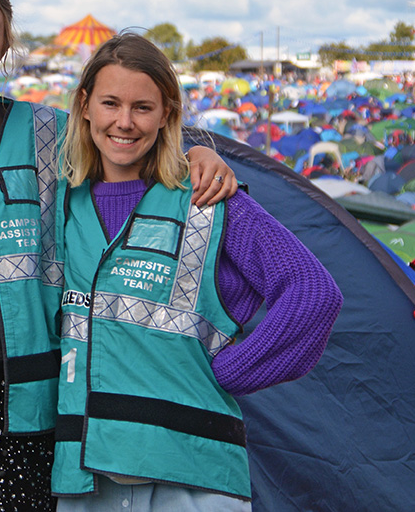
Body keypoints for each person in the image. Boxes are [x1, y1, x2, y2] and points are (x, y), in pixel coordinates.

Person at [0, 0, 238, 511]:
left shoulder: (46, 132)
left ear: (3, 48)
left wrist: (198, 156)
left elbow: (125, 147)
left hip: (25, 409)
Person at [52, 32, 342, 511]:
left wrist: (224, 373)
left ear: (167, 113)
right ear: (84, 106)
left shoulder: (206, 198)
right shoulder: (64, 198)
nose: (124, 122)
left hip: (190, 473)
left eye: (143, 107)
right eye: (110, 103)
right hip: (85, 476)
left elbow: (312, 293)